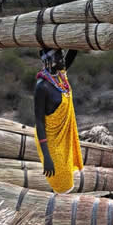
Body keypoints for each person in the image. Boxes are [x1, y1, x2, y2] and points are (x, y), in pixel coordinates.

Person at [34, 48, 83, 193]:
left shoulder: (61, 77)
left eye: (62, 56)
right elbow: (39, 122)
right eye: (59, 56)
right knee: (62, 186)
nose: (63, 58)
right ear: (49, 61)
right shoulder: (42, 87)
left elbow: (74, 51)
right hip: (51, 143)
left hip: (65, 140)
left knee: (67, 182)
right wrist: (47, 157)